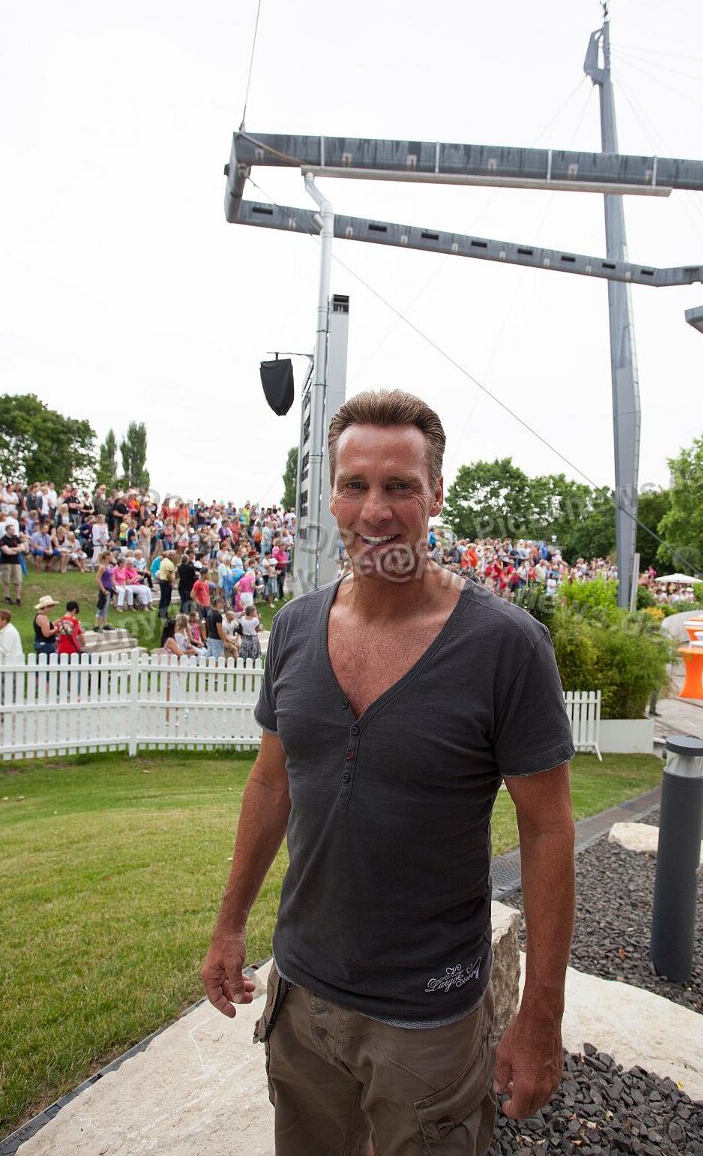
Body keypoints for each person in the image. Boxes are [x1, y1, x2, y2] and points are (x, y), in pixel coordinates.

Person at [201, 389, 576, 1156]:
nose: (375, 511)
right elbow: (271, 783)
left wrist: (541, 1015)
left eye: (400, 486)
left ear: (436, 493)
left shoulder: (506, 647)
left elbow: (547, 830)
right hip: (301, 995)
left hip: (427, 1016)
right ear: (331, 496)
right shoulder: (294, 628)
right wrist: (230, 923)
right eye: (355, 485)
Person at [0, 520, 27, 606]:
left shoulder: (16, 538)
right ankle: (7, 597)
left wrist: (12, 549)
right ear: (7, 530)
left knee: (18, 581)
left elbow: (23, 548)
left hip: (16, 562)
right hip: (6, 562)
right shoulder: (3, 539)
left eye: (14, 529)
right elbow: (7, 552)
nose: (13, 531)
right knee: (6, 581)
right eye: (11, 529)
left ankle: (18, 598)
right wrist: (17, 550)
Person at [158, 551, 176, 618]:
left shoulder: (164, 560)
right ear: (172, 556)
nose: (175, 557)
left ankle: (160, 613)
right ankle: (164, 614)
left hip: (161, 581)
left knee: (163, 598)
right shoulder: (169, 563)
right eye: (174, 555)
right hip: (166, 582)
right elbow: (168, 574)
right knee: (167, 599)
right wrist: (171, 581)